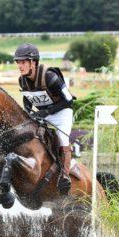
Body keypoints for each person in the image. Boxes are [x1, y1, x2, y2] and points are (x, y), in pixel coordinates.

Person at [14, 43, 74, 195]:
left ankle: (64, 176)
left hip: (62, 113)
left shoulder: (50, 76)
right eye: (18, 62)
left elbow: (68, 100)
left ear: (33, 62)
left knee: (62, 140)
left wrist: (46, 111)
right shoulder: (23, 80)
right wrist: (27, 113)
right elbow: (28, 99)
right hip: (44, 114)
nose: (20, 66)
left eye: (23, 62)